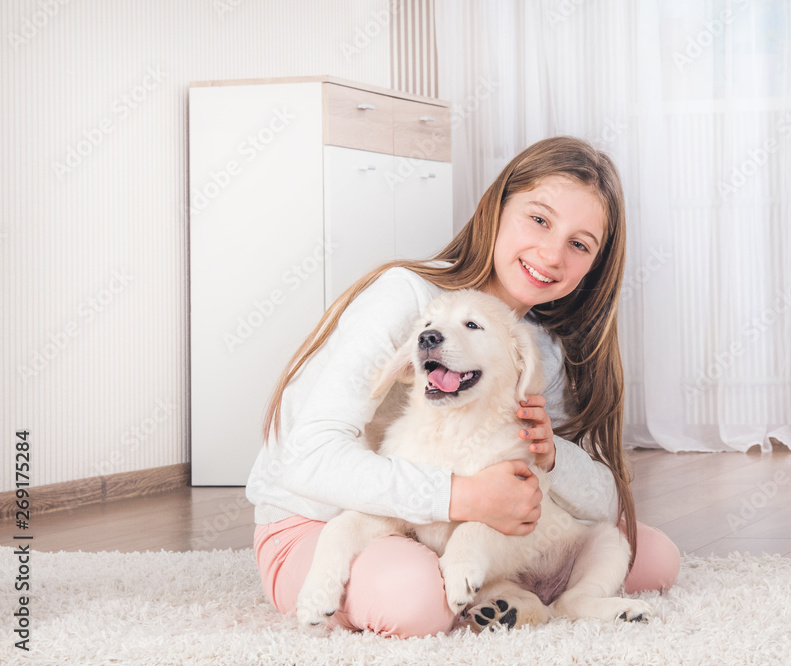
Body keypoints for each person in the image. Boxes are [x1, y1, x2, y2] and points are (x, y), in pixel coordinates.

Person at [246, 136, 681, 639]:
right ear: (495, 208)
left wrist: (550, 455)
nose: (551, 253)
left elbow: (592, 503)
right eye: (538, 219)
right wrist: (463, 497)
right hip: (320, 521)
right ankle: (472, 591)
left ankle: (507, 596)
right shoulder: (405, 298)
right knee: (414, 601)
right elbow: (308, 459)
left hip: (474, 534)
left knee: (653, 558)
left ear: (593, 266)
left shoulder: (537, 353)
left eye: (579, 244)